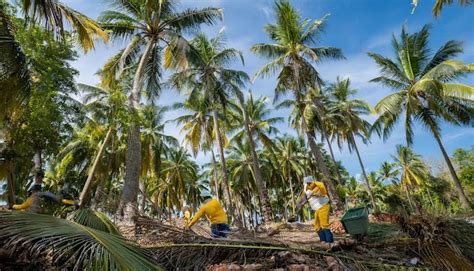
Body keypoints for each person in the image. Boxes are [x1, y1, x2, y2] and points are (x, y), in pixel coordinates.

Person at [296, 176, 334, 244]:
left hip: (323, 206)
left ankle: (329, 242)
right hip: (316, 209)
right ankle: (323, 241)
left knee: (324, 225)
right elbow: (303, 199)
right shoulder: (306, 190)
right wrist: (299, 205)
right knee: (317, 226)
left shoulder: (318, 185)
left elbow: (322, 192)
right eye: (306, 184)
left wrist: (314, 193)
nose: (308, 185)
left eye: (309, 183)